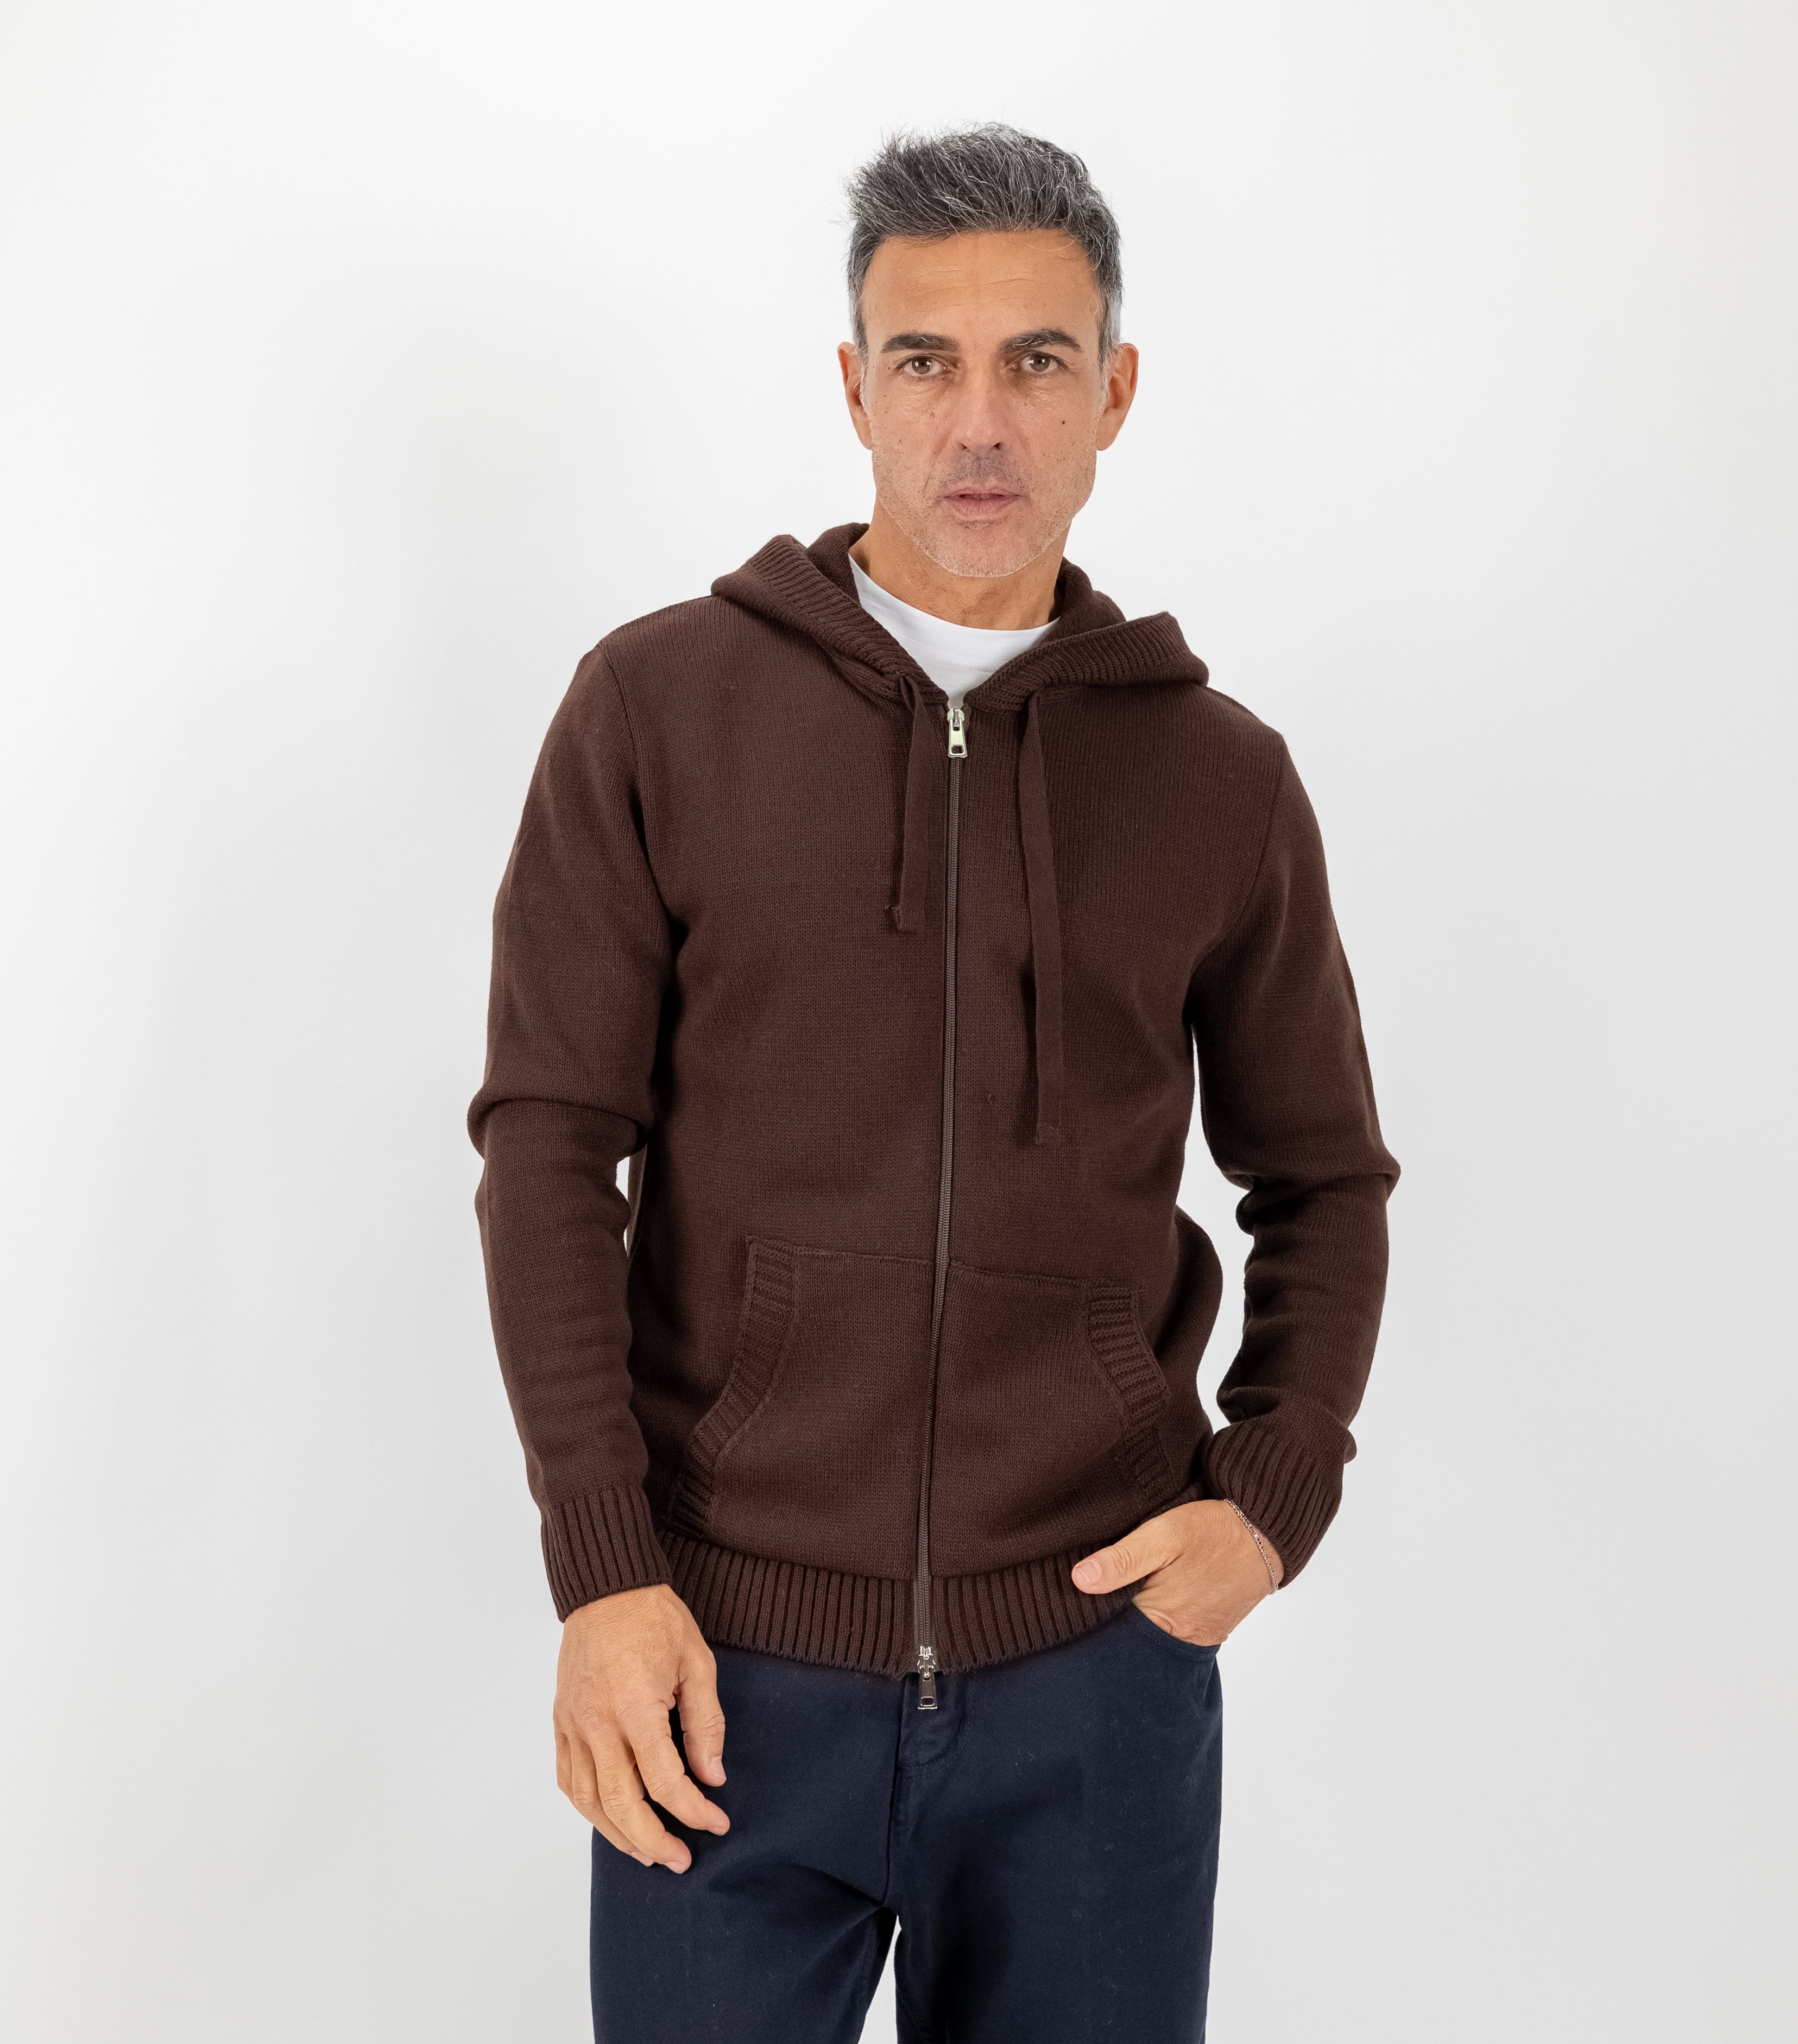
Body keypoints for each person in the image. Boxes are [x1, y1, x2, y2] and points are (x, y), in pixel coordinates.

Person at [465, 121, 1400, 2044]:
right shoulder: (658, 708)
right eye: (926, 360)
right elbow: (549, 1149)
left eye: (1036, 360)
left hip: (1094, 1677)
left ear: (1112, 393)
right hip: (718, 1670)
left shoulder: (1218, 777)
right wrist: (602, 1572)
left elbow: (1320, 1178)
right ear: (854, 388)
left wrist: (1273, 1490)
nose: (980, 422)